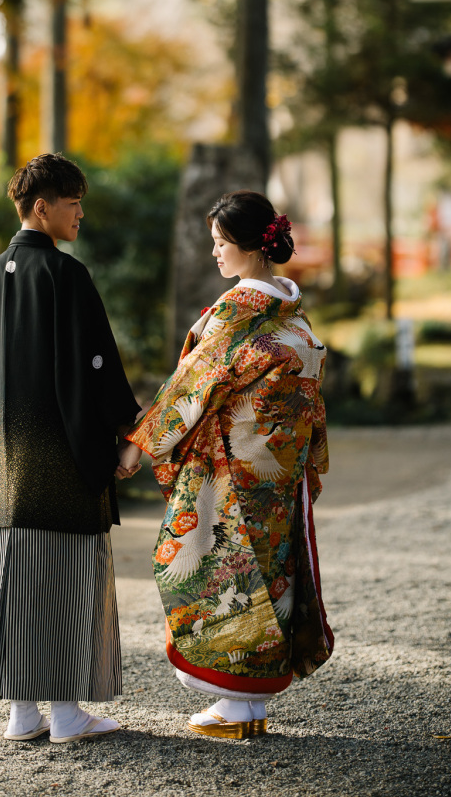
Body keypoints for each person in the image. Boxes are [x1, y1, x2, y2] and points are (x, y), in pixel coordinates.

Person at [116, 190, 333, 739]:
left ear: (248, 246)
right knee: (269, 575)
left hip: (231, 470)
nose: (214, 253)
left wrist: (141, 444)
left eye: (220, 243)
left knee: (215, 571)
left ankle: (236, 707)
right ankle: (251, 707)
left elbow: (191, 384)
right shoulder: (292, 311)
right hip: (277, 471)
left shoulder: (238, 313)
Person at [0, 153, 141, 745]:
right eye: (73, 203)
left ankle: (22, 714)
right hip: (64, 462)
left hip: (10, 465)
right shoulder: (65, 275)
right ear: (41, 207)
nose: (80, 214)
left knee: (17, 584)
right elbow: (97, 368)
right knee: (69, 580)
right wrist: (130, 433)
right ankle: (67, 713)